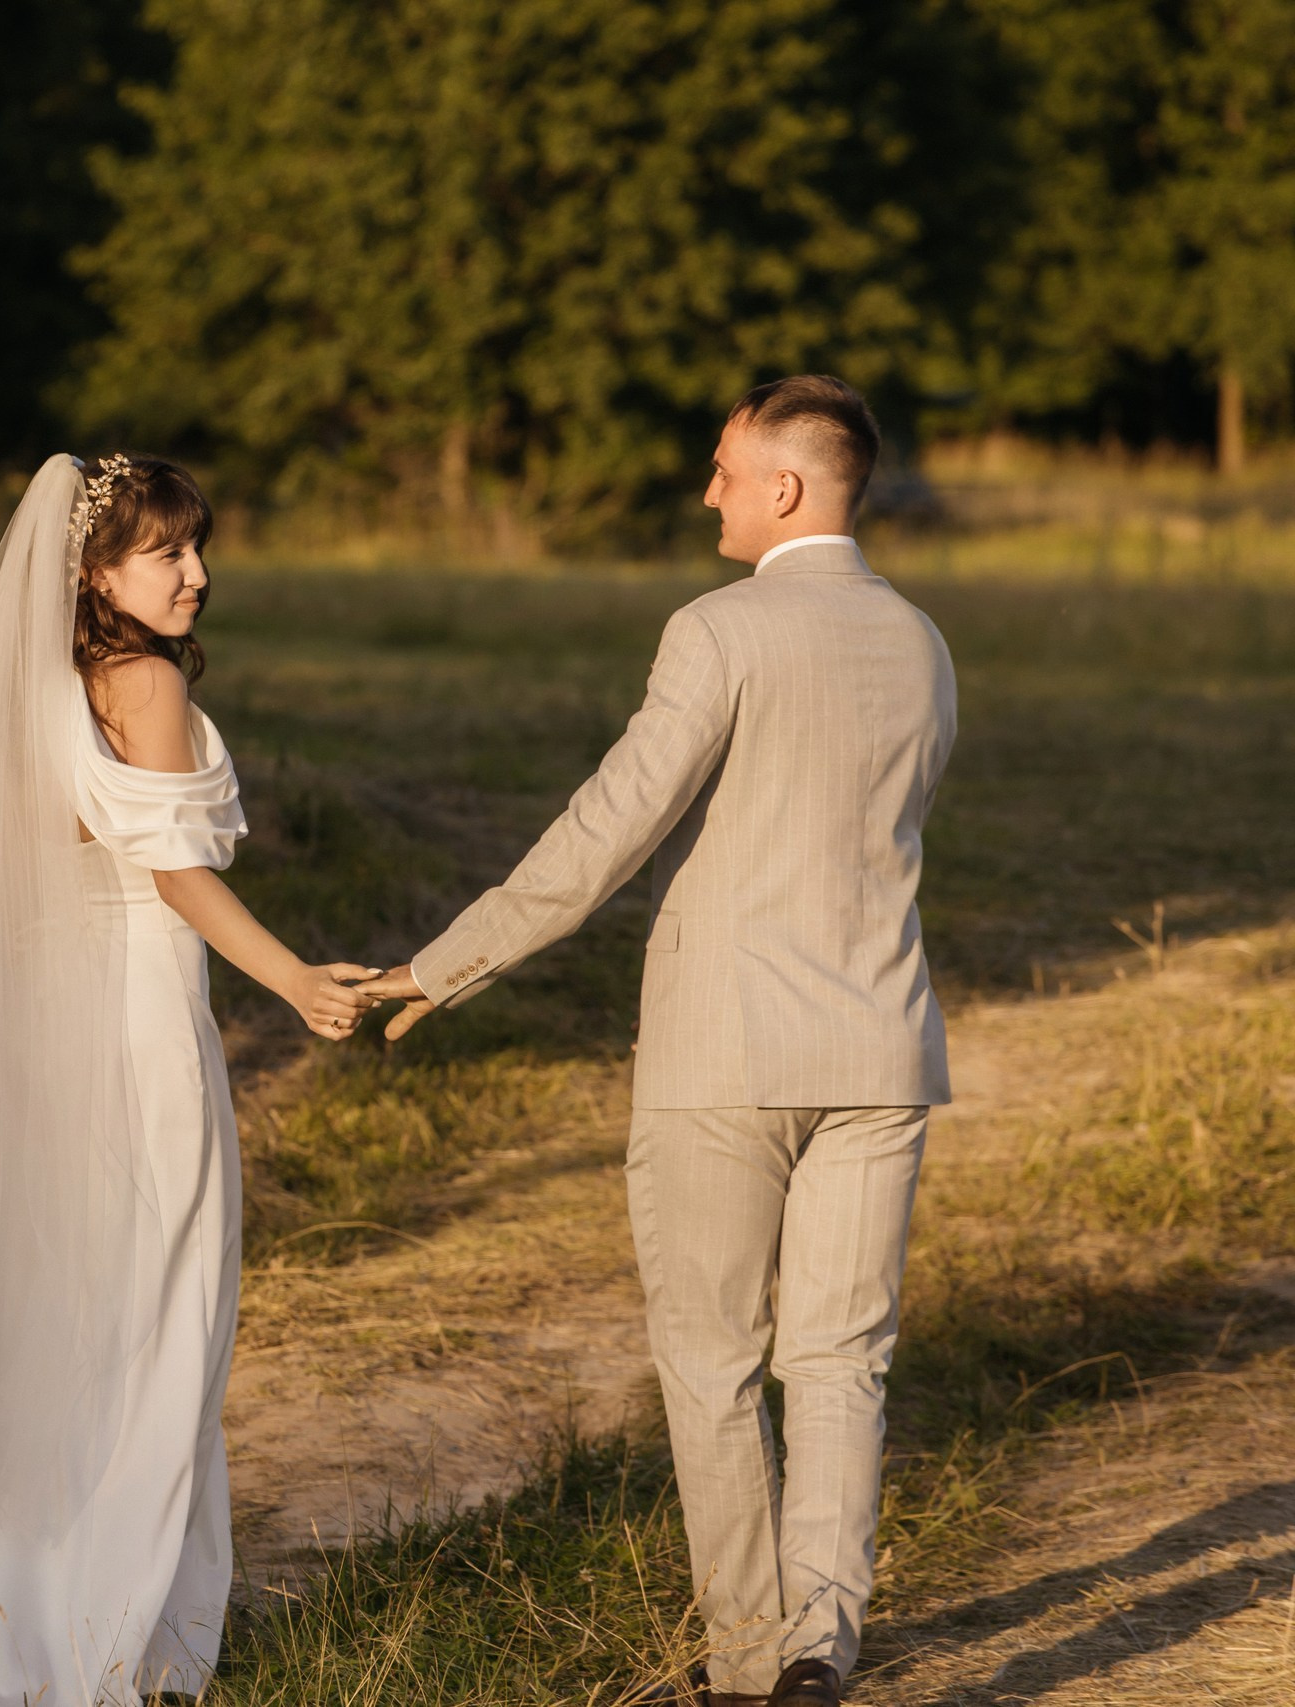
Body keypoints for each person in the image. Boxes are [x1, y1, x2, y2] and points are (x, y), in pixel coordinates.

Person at [354, 375, 957, 1707]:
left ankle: (746, 1662)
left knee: (714, 1363)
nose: (708, 491)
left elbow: (606, 830)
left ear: (786, 485)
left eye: (724, 468)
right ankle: (822, 1649)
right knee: (842, 1365)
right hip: (880, 1047)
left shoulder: (718, 629)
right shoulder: (922, 640)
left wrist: (441, 964)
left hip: (726, 1053)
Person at [0, 452, 377, 1706]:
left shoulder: (46, 684)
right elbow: (172, 872)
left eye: (199, 549)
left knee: (87, 1329)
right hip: (136, 1025)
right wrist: (294, 979)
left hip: (57, 1033)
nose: (198, 575)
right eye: (169, 553)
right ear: (97, 568)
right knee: (159, 1320)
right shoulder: (143, 680)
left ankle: (68, 1611)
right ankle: (107, 1642)